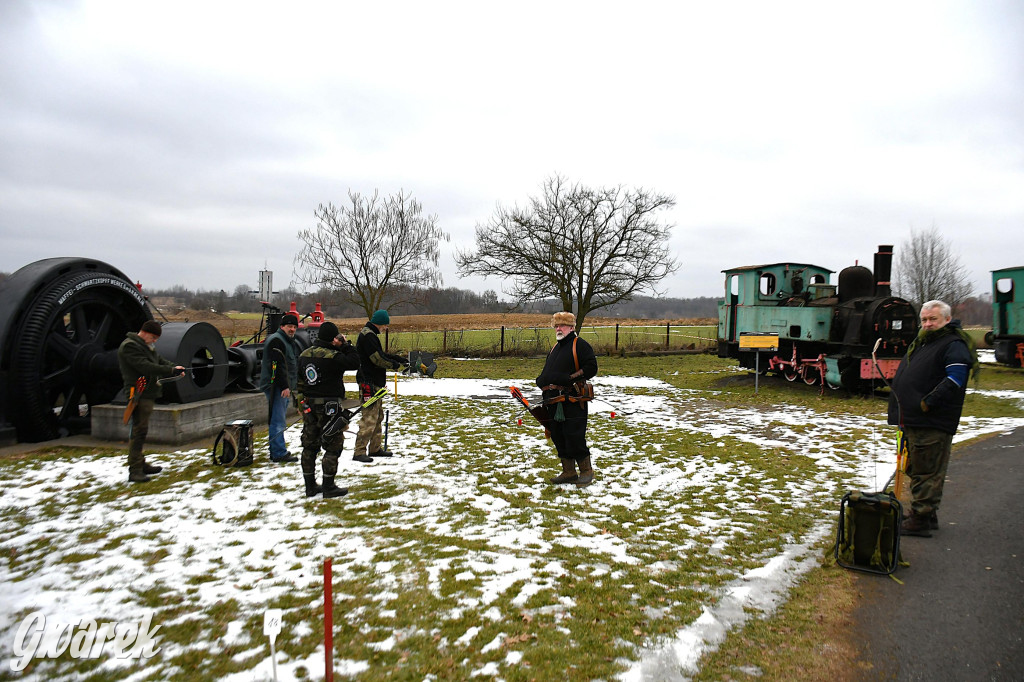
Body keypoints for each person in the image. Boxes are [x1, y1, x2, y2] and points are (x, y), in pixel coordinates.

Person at [888, 299, 978, 537]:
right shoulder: (927, 342)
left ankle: (921, 519)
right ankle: (926, 513)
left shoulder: (953, 344)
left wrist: (928, 403)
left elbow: (955, 378)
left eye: (933, 319)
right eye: (924, 319)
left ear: (947, 320)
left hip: (932, 421)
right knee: (917, 468)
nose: (927, 324)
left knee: (927, 470)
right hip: (915, 420)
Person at [297, 321, 360, 498]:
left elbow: (299, 381)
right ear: (334, 338)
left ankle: (310, 486)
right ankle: (328, 485)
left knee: (309, 446)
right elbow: (355, 361)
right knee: (332, 446)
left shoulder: (304, 354)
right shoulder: (333, 356)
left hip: (309, 405)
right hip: (329, 407)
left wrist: (300, 403)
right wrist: (346, 345)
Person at [117, 320, 185, 483]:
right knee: (139, 432)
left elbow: (159, 360)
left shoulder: (145, 346)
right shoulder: (130, 346)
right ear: (145, 332)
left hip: (148, 393)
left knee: (142, 430)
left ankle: (141, 463)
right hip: (138, 394)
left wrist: (175, 368)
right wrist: (170, 370)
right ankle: (135, 470)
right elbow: (145, 366)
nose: (154, 341)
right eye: (153, 337)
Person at [536, 311, 599, 487]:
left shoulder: (579, 345)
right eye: (556, 325)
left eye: (561, 325)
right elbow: (550, 370)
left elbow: (591, 367)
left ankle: (586, 471)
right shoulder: (556, 348)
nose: (558, 329)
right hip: (553, 401)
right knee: (558, 435)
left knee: (574, 436)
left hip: (572, 400)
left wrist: (571, 378)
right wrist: (542, 380)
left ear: (571, 327)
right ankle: (569, 472)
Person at [354, 309, 407, 462]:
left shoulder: (370, 334)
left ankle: (375, 449)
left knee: (377, 417)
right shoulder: (368, 336)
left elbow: (381, 355)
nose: (385, 328)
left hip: (375, 383)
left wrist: (397, 358)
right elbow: (377, 359)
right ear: (381, 323)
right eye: (385, 325)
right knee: (369, 417)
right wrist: (394, 365)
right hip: (368, 383)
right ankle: (359, 452)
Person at [259, 313, 300, 464]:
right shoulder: (277, 340)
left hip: (278, 385)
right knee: (278, 420)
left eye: (294, 327)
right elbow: (276, 366)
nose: (292, 329)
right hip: (276, 387)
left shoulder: (285, 340)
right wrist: (284, 386)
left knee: (278, 419)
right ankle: (278, 453)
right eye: (289, 326)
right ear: (282, 326)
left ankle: (277, 450)